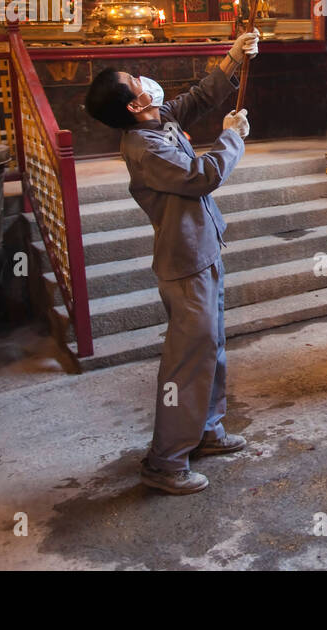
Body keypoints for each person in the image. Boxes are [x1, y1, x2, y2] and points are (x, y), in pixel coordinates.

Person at [83, 32, 259, 495]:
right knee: (188, 359)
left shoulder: (156, 121)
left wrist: (233, 57)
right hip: (183, 264)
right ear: (132, 104)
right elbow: (204, 176)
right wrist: (231, 137)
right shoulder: (145, 148)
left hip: (204, 249)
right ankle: (165, 462)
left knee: (212, 348)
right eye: (135, 81)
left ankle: (207, 431)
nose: (146, 81)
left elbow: (198, 98)